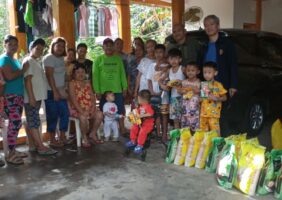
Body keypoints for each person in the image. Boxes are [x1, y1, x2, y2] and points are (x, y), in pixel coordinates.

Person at [203, 15, 238, 136]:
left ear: (218, 26)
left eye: (212, 24)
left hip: (222, 83)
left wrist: (233, 85)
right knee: (206, 114)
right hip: (206, 85)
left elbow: (233, 64)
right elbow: (198, 65)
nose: (209, 27)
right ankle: (209, 142)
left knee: (221, 116)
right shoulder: (204, 45)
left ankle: (223, 143)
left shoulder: (226, 44)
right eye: (206, 25)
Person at [23, 38, 57, 155]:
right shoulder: (28, 61)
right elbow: (27, 81)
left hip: (36, 98)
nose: (40, 51)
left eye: (42, 49)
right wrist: (31, 97)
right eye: (37, 49)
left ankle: (33, 145)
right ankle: (41, 147)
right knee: (34, 122)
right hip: (32, 98)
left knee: (32, 121)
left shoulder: (36, 61)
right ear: (31, 48)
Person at [0, 35, 28, 165]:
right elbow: (9, 77)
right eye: (10, 44)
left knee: (15, 124)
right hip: (10, 96)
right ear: (4, 45)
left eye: (15, 44)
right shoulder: (4, 59)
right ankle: (10, 154)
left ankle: (13, 150)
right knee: (15, 123)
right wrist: (23, 70)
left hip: (17, 96)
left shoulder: (14, 60)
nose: (13, 46)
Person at [93, 38, 128, 135]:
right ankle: (108, 129)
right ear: (103, 47)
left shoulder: (118, 59)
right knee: (106, 110)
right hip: (104, 92)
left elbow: (122, 74)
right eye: (106, 45)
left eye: (110, 45)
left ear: (113, 47)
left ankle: (121, 127)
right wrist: (97, 91)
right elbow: (95, 77)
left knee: (120, 110)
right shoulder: (98, 60)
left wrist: (124, 87)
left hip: (117, 89)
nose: (108, 47)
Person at [68, 63, 103, 146]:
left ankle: (93, 133)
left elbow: (92, 96)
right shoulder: (72, 83)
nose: (81, 74)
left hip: (89, 108)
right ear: (74, 74)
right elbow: (73, 99)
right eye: (78, 72)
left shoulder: (87, 82)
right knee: (83, 117)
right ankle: (84, 137)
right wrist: (82, 111)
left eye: (82, 72)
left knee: (100, 114)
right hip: (77, 109)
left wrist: (93, 108)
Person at [43, 37, 70, 147]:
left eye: (62, 46)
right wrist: (55, 91)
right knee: (52, 115)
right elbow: (49, 76)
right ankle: (52, 139)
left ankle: (62, 136)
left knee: (65, 113)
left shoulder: (61, 59)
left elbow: (63, 76)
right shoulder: (49, 58)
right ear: (53, 46)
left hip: (61, 90)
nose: (60, 48)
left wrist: (65, 89)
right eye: (58, 45)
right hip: (51, 91)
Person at [147, 44, 169, 139]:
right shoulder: (151, 66)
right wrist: (151, 91)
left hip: (165, 94)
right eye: (157, 52)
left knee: (164, 114)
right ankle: (158, 133)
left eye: (161, 52)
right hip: (154, 94)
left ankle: (164, 133)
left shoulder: (168, 66)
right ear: (154, 53)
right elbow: (149, 80)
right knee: (156, 114)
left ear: (164, 53)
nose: (159, 54)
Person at [160, 48, 185, 129]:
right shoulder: (169, 70)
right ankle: (177, 139)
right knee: (175, 119)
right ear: (168, 60)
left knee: (184, 119)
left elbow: (190, 79)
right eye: (171, 58)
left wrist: (181, 82)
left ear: (180, 59)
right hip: (173, 98)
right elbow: (160, 79)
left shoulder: (182, 69)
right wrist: (162, 85)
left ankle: (184, 138)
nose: (173, 61)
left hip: (184, 97)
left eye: (176, 58)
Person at [200, 62, 227, 134]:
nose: (206, 75)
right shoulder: (204, 84)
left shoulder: (218, 85)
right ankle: (206, 145)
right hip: (204, 114)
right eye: (205, 72)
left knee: (215, 132)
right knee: (203, 133)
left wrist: (217, 99)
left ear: (215, 73)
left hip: (214, 115)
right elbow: (203, 98)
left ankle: (217, 144)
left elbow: (225, 97)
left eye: (209, 72)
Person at [126, 90, 154, 154]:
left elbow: (150, 114)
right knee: (133, 127)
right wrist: (132, 115)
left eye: (138, 99)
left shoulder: (148, 106)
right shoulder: (141, 106)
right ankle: (133, 140)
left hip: (148, 124)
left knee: (142, 132)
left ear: (143, 99)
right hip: (141, 123)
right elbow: (136, 112)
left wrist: (141, 116)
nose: (138, 100)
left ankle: (140, 145)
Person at [178, 62, 201, 133]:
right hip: (185, 107)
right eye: (188, 70)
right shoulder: (184, 82)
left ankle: (195, 138)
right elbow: (179, 91)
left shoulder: (199, 82)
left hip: (194, 108)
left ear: (197, 72)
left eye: (192, 70)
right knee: (185, 123)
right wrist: (183, 91)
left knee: (195, 123)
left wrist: (193, 88)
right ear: (185, 71)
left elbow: (200, 92)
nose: (190, 72)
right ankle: (186, 139)